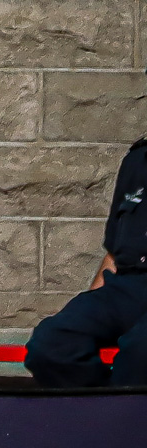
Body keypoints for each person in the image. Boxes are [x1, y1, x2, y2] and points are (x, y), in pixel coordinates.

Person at [24, 131, 147, 388]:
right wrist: (90, 306)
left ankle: (123, 412)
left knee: (140, 353)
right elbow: (114, 250)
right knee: (51, 343)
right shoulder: (137, 160)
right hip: (128, 287)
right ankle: (96, 408)